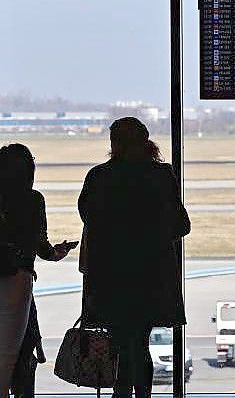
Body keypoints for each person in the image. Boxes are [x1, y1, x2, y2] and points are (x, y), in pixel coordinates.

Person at [79, 117, 190, 398]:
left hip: (110, 277)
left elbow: (89, 219)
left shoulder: (98, 177)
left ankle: (121, 393)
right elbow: (181, 225)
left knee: (117, 344)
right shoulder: (162, 176)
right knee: (140, 345)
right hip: (150, 277)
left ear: (114, 144)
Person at [0, 144, 75, 398]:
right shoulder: (32, 200)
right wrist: (57, 253)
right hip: (17, 280)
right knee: (10, 355)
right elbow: (40, 246)